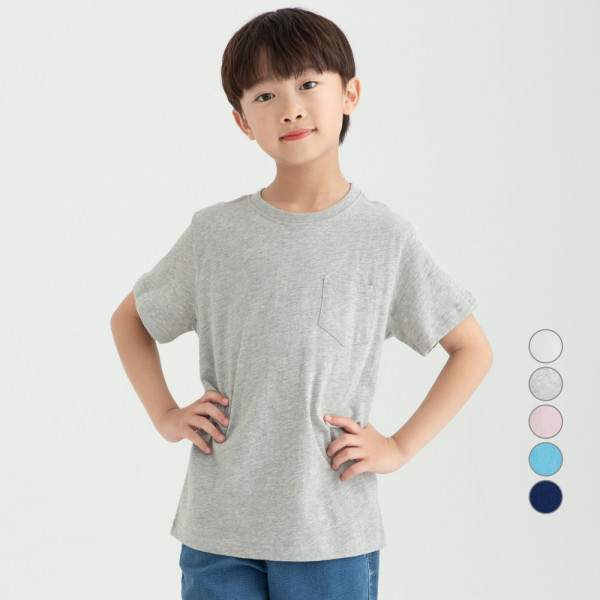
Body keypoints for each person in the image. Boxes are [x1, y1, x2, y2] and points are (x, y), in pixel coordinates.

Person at [110, 7, 493, 600]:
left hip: (331, 532)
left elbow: (471, 349)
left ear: (350, 94)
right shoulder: (215, 234)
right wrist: (165, 415)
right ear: (242, 121)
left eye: (309, 83)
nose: (290, 107)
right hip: (219, 531)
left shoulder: (383, 237)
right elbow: (130, 320)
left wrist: (398, 447)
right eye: (265, 95)